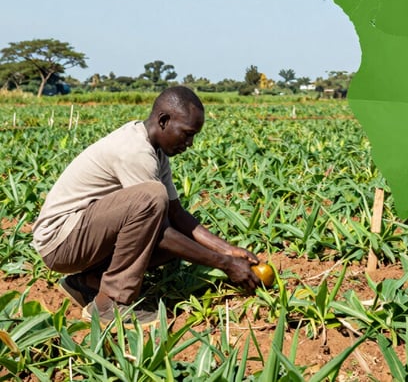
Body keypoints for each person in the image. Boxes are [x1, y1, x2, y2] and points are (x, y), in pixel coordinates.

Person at [32, 86, 261, 326]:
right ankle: (110, 303)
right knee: (153, 199)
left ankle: (88, 282)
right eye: (187, 133)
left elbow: (176, 214)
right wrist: (224, 264)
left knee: (171, 233)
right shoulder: (134, 151)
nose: (190, 143)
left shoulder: (155, 150)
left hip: (80, 236)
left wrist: (228, 250)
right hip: (60, 241)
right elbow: (160, 232)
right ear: (163, 120)